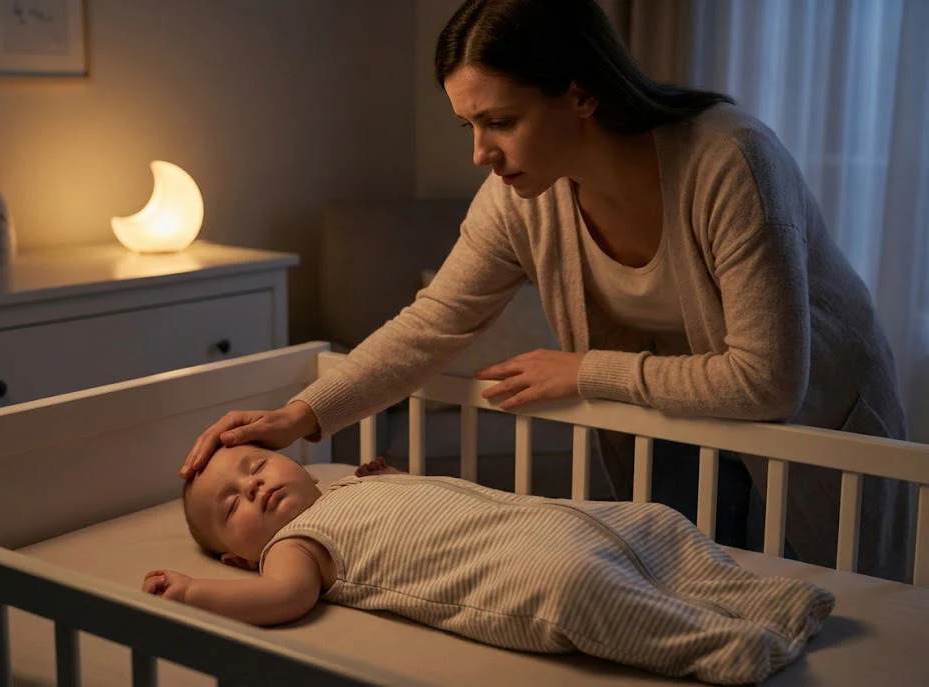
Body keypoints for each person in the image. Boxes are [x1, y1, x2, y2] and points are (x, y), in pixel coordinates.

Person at [182, 0, 914, 581]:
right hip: (675, 420)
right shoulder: (521, 198)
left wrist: (583, 370)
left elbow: (769, 381)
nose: (480, 152)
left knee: (829, 611)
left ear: (580, 93)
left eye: (501, 121)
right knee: (687, 595)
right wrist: (303, 413)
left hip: (814, 427)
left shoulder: (726, 162)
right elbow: (434, 323)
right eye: (468, 124)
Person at [154, 445, 834, 685]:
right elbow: (284, 599)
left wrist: (393, 477)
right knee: (582, 589)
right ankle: (730, 647)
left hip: (558, 519)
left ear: (291, 459)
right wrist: (193, 592)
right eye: (232, 504)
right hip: (523, 569)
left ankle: (772, 600)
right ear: (238, 553)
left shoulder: (355, 484)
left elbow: (427, 502)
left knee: (658, 521)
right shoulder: (293, 547)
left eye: (254, 465)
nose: (253, 485)